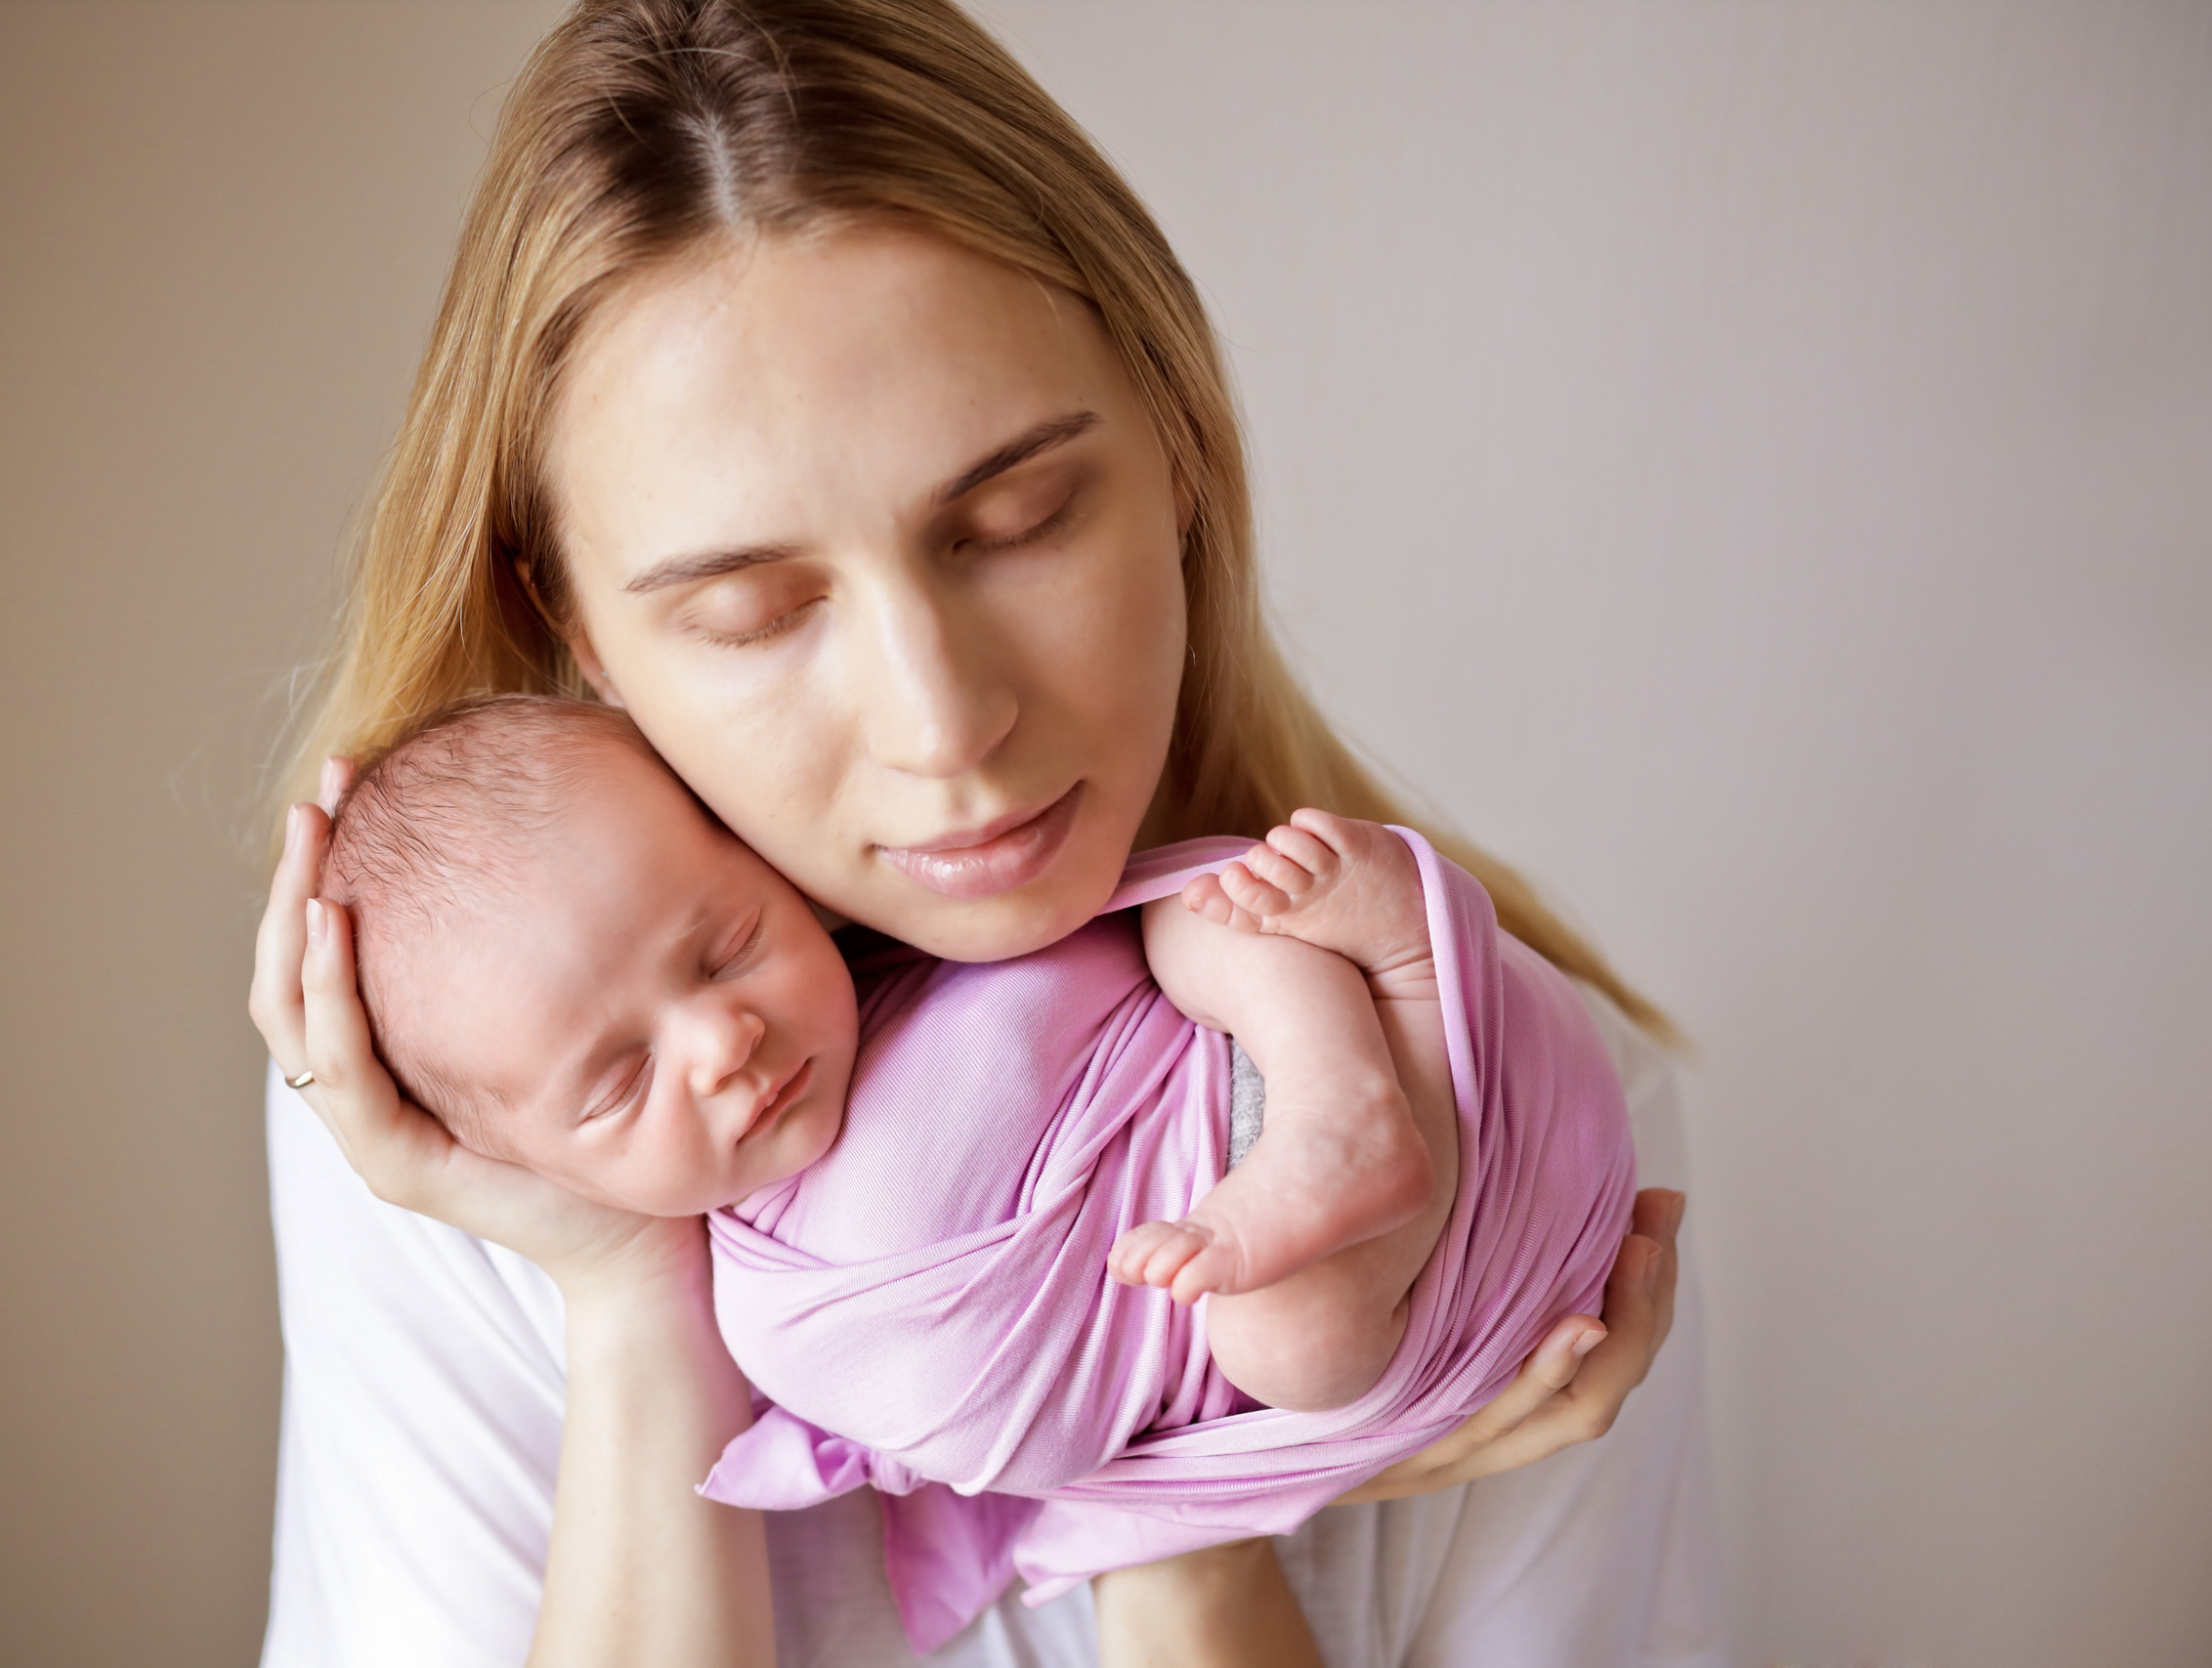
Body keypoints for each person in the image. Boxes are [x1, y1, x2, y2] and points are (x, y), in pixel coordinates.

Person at [247, 3, 1720, 1664]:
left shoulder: (1493, 1081)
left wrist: (1189, 1511)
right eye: (750, 612)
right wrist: (636, 1303)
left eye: (1016, 521)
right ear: (580, 630)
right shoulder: (475, 1158)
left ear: (1175, 445)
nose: (943, 727)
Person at [308, 693, 1635, 1649]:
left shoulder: (943, 936)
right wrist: (624, 1278)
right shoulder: (742, 1303)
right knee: (1299, 1350)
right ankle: (1361, 1096)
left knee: (1196, 914)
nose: (722, 1040)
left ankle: (1371, 1045)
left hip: (1397, 1068)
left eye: (724, 945)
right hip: (1329, 1268)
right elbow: (1064, 1428)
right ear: (511, 1156)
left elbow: (1122, 969)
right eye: (616, 1083)